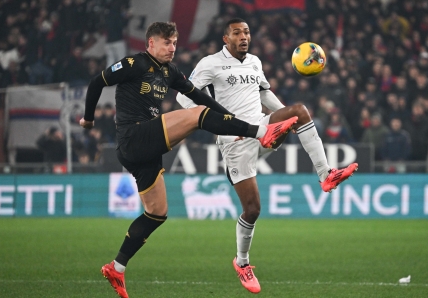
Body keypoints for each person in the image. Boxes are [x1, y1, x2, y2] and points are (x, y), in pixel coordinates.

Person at [79, 21, 297, 298]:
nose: (172, 48)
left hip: (145, 152)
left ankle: (116, 268)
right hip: (133, 136)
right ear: (151, 44)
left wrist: (235, 122)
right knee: (195, 117)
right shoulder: (134, 63)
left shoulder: (170, 72)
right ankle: (263, 133)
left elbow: (202, 98)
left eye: (174, 42)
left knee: (156, 213)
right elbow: (97, 81)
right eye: (166, 42)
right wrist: (88, 118)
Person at [176, 18, 358, 294]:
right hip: (235, 141)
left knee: (300, 111)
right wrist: (215, 122)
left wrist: (287, 117)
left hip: (262, 129)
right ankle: (242, 262)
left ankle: (326, 175)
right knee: (253, 209)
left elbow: (266, 94)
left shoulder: (255, 62)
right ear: (226, 39)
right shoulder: (210, 64)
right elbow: (184, 99)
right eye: (237, 33)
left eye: (246, 32)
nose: (243, 37)